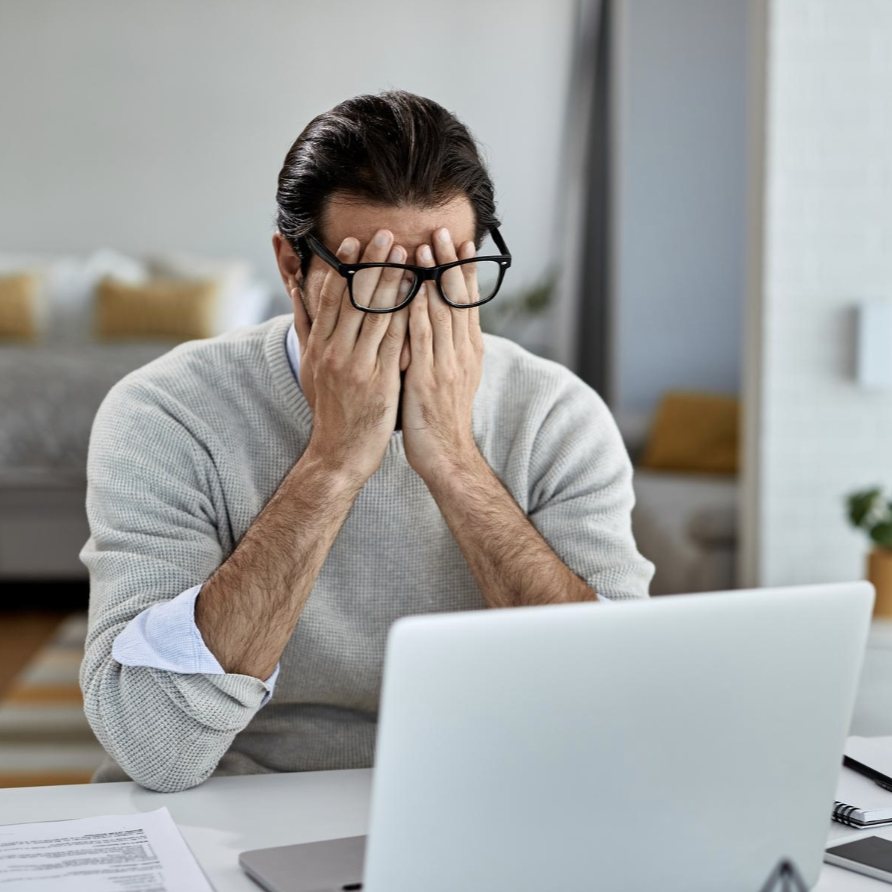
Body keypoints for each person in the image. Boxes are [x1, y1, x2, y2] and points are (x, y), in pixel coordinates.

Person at [79, 90, 654, 793]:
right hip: (229, 804)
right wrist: (334, 461)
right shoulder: (166, 414)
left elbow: (621, 713)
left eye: (448, 273)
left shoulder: (556, 415)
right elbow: (156, 747)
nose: (418, 312)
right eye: (377, 280)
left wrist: (453, 461)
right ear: (294, 270)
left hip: (487, 798)